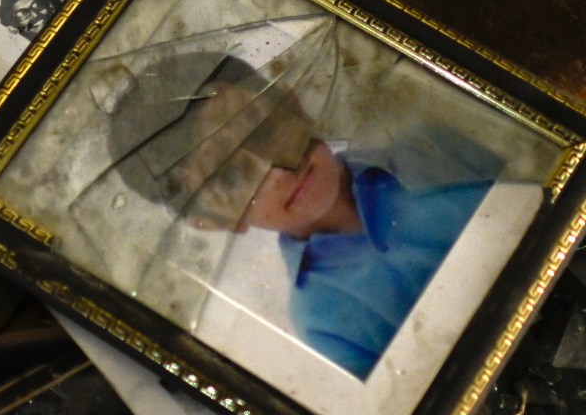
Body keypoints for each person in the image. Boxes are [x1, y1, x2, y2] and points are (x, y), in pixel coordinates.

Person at [111, 53, 500, 378]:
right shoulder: (326, 320)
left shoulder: (434, 148)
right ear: (212, 220)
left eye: (263, 129)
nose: (277, 170)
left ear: (292, 101)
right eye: (228, 175)